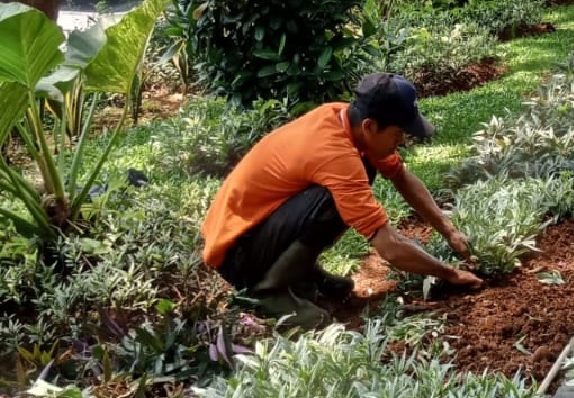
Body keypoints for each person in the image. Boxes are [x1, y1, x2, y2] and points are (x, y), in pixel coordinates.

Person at [200, 73, 482, 326]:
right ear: (371, 126)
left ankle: (303, 275)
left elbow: (400, 176)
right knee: (333, 200)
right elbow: (390, 247)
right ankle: (268, 290)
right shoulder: (335, 155)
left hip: (256, 232)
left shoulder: (343, 118)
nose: (403, 141)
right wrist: (449, 273)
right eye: (398, 133)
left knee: (362, 171)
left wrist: (450, 231)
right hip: (238, 253)